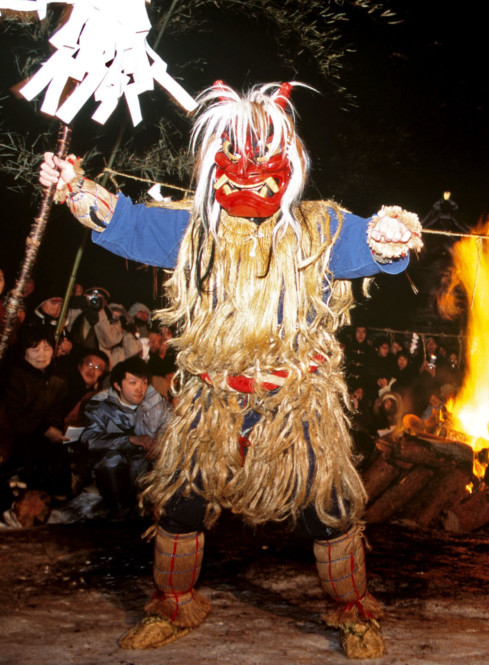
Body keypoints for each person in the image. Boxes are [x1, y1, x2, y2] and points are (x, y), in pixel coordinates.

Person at [39, 81, 422, 657]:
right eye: (233, 156)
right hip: (212, 402)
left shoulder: (318, 229)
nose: (246, 173)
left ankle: (355, 612)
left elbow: (372, 249)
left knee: (329, 511)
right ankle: (173, 605)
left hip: (296, 404)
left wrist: (389, 236)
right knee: (180, 505)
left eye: (261, 158)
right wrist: (74, 186)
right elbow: (128, 225)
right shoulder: (194, 229)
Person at [80, 356, 170, 520]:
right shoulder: (101, 406)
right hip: (117, 472)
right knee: (110, 459)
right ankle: (119, 512)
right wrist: (127, 440)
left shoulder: (157, 404)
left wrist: (161, 444)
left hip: (147, 469)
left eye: (144, 383)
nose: (139, 389)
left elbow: (172, 429)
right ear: (117, 385)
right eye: (132, 383)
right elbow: (89, 440)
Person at [0, 327, 70, 511]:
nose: (42, 355)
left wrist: (54, 427)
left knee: (59, 451)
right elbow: (15, 418)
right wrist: (45, 429)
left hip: (41, 431)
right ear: (24, 351)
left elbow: (56, 410)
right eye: (35, 349)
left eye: (47, 348)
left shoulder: (57, 377)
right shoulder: (14, 376)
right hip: (15, 435)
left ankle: (57, 502)